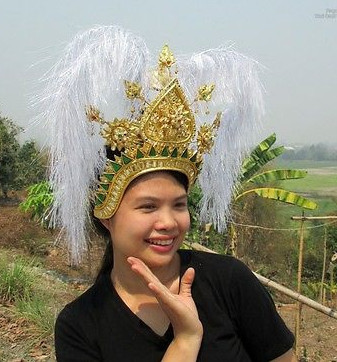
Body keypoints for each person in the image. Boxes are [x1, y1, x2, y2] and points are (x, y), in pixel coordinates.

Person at [36, 26, 296, 361]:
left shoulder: (228, 281)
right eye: (147, 207)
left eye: (179, 205)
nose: (169, 222)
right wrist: (186, 340)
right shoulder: (80, 325)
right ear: (106, 213)